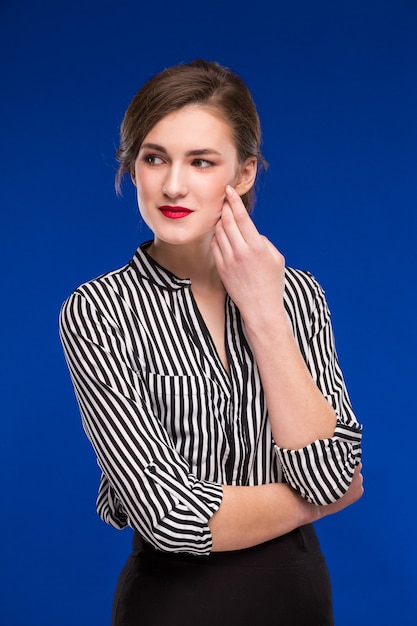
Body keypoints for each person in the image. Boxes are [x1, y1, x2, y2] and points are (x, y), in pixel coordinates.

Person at [59, 59, 363, 626]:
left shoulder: (296, 295)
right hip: (173, 600)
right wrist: (321, 499)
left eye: (201, 161)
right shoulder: (99, 311)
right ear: (133, 167)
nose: (173, 184)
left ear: (243, 174)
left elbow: (331, 475)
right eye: (154, 158)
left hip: (296, 593)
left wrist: (265, 314)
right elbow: (172, 520)